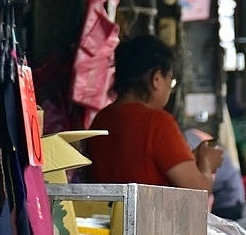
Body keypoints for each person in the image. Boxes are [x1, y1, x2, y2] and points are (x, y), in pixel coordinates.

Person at [88, 35, 223, 191]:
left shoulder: (100, 120)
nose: (169, 89)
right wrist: (206, 164)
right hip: (149, 215)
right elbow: (199, 192)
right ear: (157, 78)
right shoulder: (157, 122)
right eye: (170, 81)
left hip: (104, 215)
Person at [184, 128, 246, 221]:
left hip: (228, 200)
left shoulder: (193, 146)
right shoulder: (188, 137)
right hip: (221, 192)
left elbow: (204, 190)